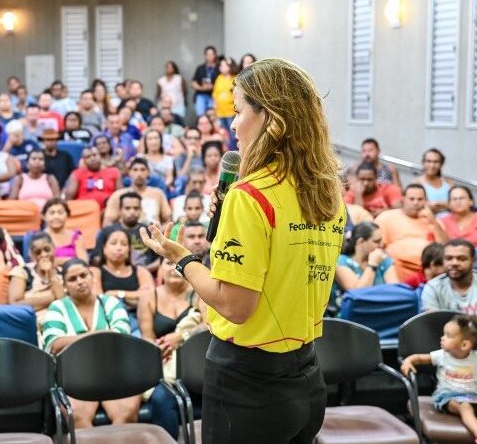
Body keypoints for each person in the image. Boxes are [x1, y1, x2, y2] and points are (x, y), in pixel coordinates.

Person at [140, 58, 347, 443]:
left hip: (249, 384)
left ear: (271, 118)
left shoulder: (251, 195)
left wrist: (181, 257)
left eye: (237, 112)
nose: (232, 124)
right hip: (307, 377)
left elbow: (235, 306)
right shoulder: (328, 194)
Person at [42, 258, 139, 428]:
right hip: (74, 378)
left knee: (127, 414)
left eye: (83, 275)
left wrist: (75, 340)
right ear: (64, 285)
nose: (79, 282)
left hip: (114, 373)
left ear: (92, 277)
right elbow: (55, 345)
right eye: (72, 279)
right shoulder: (57, 307)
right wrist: (102, 335)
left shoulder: (110, 302)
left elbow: (122, 337)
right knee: (78, 418)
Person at [138, 258, 206, 439]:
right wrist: (160, 347)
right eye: (168, 263)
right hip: (165, 368)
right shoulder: (149, 297)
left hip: (197, 366)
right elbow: (147, 338)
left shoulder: (200, 293)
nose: (174, 268)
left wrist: (182, 337)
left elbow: (209, 327)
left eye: (178, 263)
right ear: (159, 268)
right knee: (161, 399)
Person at [400, 314, 477, 444]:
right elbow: (419, 358)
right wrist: (408, 362)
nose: (442, 338)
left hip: (472, 397)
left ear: (465, 345)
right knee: (465, 406)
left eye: (448, 336)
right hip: (447, 397)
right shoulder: (442, 355)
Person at [376, 184, 449, 280]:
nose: (416, 203)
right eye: (411, 199)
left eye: (420, 199)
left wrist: (434, 222)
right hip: (396, 268)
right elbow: (377, 246)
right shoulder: (386, 217)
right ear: (403, 199)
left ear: (426, 201)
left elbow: (445, 248)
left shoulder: (434, 221)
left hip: (429, 270)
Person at [91, 226, 155, 334]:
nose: (119, 248)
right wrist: (134, 298)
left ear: (129, 249)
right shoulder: (95, 272)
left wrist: (118, 294)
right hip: (107, 320)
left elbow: (150, 296)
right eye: (113, 243)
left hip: (137, 320)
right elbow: (99, 299)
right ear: (104, 248)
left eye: (124, 244)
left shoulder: (140, 271)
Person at [333, 222, 398, 304]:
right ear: (361, 242)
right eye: (377, 241)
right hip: (353, 313)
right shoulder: (341, 262)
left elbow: (396, 292)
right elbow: (358, 295)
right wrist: (372, 265)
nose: (381, 245)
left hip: (382, 309)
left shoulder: (383, 260)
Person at [421, 239, 477, 314]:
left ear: (473, 261)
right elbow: (431, 321)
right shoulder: (432, 288)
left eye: (461, 259)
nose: (454, 263)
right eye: (449, 258)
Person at [8, 232, 65, 322]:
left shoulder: (64, 272)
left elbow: (64, 303)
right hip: (31, 321)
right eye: (38, 252)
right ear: (31, 254)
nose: (43, 255)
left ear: (54, 249)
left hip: (60, 319)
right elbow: (15, 304)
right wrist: (53, 298)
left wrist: (51, 274)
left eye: (47, 250)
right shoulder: (22, 271)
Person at [104, 158, 171, 226]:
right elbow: (107, 222)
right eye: (135, 170)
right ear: (129, 172)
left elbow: (168, 220)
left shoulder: (158, 193)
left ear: (148, 172)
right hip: (125, 234)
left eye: (143, 170)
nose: (139, 173)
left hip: (153, 234)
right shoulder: (118, 195)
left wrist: (159, 233)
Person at [42, 198, 87, 265]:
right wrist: (71, 260)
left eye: (60, 212)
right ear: (44, 216)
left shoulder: (77, 237)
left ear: (67, 215)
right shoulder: (39, 237)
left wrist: (56, 261)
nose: (56, 216)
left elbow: (83, 262)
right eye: (52, 213)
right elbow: (41, 263)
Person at [212, 57, 238, 149]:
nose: (221, 67)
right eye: (221, 65)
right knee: (225, 134)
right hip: (220, 112)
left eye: (224, 65)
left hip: (232, 112)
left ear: (230, 66)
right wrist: (214, 110)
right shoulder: (219, 78)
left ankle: (236, 152)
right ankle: (230, 152)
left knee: (234, 135)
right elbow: (215, 94)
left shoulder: (236, 78)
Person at [415, 148, 453, 213]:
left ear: (441, 164)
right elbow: (418, 206)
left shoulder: (448, 182)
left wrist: (435, 204)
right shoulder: (416, 183)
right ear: (423, 163)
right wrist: (446, 204)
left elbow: (455, 204)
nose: (432, 165)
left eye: (436, 162)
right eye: (428, 161)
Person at [192, 46, 219, 116]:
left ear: (215, 55)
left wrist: (213, 87)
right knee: (201, 115)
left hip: (214, 96)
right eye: (208, 54)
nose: (210, 56)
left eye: (212, 54)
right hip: (201, 95)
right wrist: (202, 88)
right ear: (205, 55)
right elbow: (194, 82)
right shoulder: (200, 68)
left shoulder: (219, 68)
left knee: (213, 116)